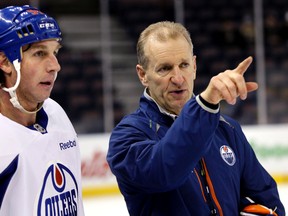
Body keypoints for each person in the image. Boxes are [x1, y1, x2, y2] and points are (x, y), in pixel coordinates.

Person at [106, 21, 285, 216]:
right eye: (165, 68)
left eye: (184, 65)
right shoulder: (127, 137)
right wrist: (205, 106)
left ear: (195, 66)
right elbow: (165, 170)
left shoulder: (227, 128)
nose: (178, 78)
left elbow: (265, 198)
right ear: (143, 75)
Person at [0, 5, 85, 215]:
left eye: (54, 52)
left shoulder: (56, 112)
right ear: (5, 62)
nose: (55, 66)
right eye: (39, 53)